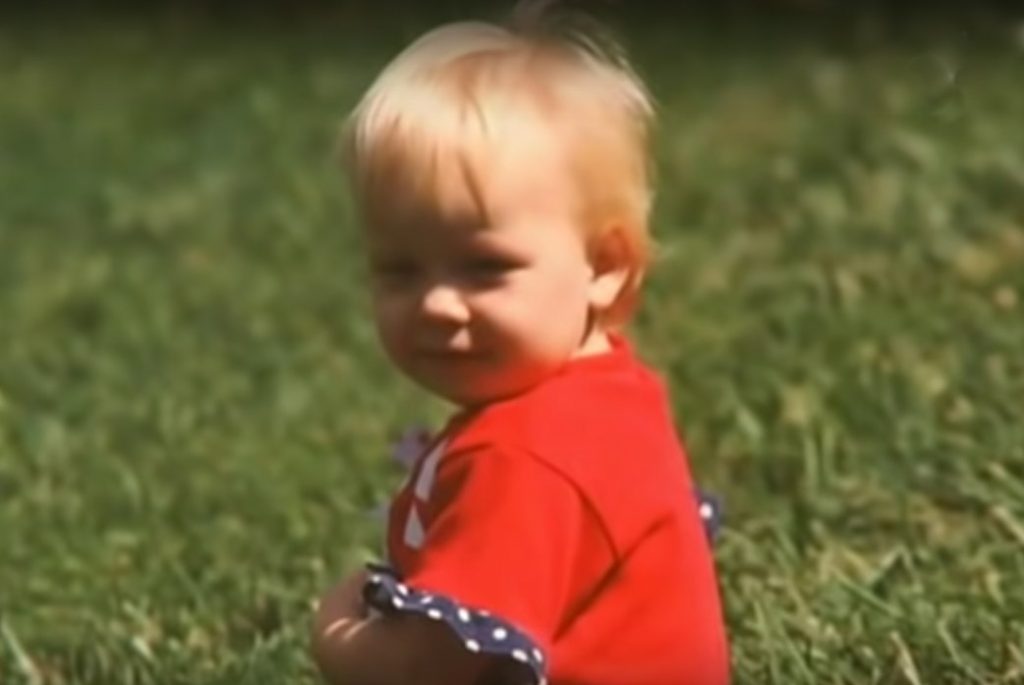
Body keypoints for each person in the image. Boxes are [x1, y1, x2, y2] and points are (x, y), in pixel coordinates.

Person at [311, 4, 730, 684]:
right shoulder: (606, 393)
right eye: (399, 270)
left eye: (485, 267)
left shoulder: (522, 461)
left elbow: (432, 669)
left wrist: (336, 634)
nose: (436, 303)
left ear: (605, 266)